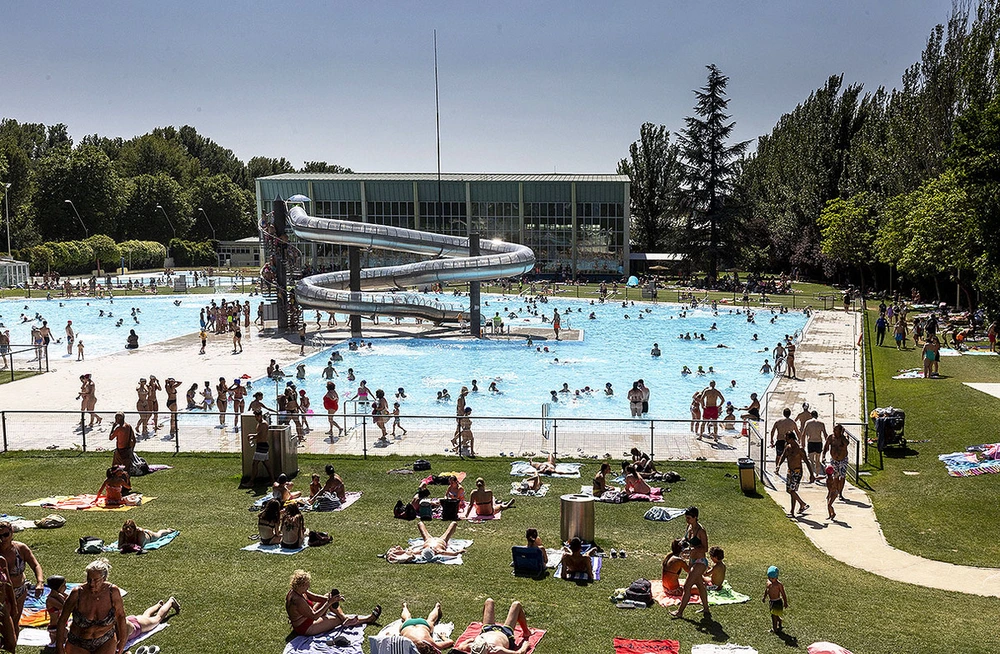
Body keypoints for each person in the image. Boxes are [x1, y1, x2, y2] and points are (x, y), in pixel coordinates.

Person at [56, 558, 127, 654]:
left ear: (104, 578)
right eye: (89, 579)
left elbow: (121, 616)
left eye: (96, 580)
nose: (92, 583)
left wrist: (122, 640)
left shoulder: (112, 592)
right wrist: (59, 647)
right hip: (78, 642)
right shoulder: (77, 593)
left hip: (105, 640)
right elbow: (62, 619)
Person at [285, 570, 380, 637]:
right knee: (337, 619)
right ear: (301, 585)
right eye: (307, 585)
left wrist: (333, 599)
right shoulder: (298, 600)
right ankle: (368, 619)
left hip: (308, 618)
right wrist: (329, 603)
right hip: (306, 627)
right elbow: (314, 616)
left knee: (328, 596)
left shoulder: (296, 590)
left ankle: (345, 619)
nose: (308, 587)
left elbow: (314, 597)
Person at [0, 519, 45, 633]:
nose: (3, 539)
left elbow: (35, 565)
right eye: (0, 536)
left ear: (12, 533)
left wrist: (40, 582)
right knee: (5, 624)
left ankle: (12, 649)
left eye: (6, 535)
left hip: (20, 591)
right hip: (2, 594)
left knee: (15, 622)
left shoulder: (20, 548)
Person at [670, 507, 711, 619]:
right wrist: (682, 542)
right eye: (686, 518)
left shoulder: (701, 531)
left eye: (689, 518)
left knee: (687, 585)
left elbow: (705, 548)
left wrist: (692, 550)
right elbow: (686, 538)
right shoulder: (689, 527)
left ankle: (679, 612)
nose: (687, 520)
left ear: (695, 517)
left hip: (700, 562)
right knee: (700, 586)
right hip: (692, 561)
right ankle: (706, 609)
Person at [453, 598, 532, 654]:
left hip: (487, 630)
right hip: (506, 633)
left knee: (489, 601)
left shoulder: (474, 648)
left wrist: (470, 640)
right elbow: (519, 653)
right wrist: (525, 645)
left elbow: (461, 646)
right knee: (516, 604)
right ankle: (526, 632)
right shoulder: (497, 651)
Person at [384, 521, 466, 563]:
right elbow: (452, 554)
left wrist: (396, 552)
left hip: (428, 540)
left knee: (420, 523)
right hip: (441, 541)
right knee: (454, 524)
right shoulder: (438, 551)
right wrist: (459, 552)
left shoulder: (422, 551)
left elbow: (407, 552)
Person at [776, 432, 814, 515]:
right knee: (790, 491)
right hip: (790, 471)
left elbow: (807, 462)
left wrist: (811, 474)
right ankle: (794, 511)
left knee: (791, 490)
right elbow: (783, 456)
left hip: (797, 472)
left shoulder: (800, 449)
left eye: (787, 438)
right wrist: (778, 465)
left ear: (792, 439)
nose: (785, 439)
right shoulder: (788, 447)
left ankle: (802, 504)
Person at [822, 423, 850, 503]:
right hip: (834, 460)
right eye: (833, 429)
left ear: (840, 431)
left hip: (843, 460)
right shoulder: (831, 437)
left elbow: (846, 444)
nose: (834, 431)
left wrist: (842, 435)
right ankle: (836, 492)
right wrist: (823, 455)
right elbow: (826, 447)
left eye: (836, 430)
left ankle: (840, 493)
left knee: (842, 476)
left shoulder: (843, 439)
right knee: (835, 477)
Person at [801, 410, 829, 480]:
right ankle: (816, 474)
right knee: (817, 460)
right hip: (818, 442)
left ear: (811, 415)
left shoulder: (808, 423)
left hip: (811, 442)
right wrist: (828, 444)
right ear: (817, 415)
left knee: (811, 460)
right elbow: (825, 435)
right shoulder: (821, 423)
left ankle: (812, 474)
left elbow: (803, 434)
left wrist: (803, 445)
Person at [109, 412, 136, 476]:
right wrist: (132, 449)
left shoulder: (119, 428)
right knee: (126, 469)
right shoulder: (128, 426)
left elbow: (110, 437)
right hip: (128, 450)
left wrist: (113, 428)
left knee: (115, 467)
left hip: (120, 450)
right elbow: (134, 439)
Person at [46, 575, 69, 648]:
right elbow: (65, 607)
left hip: (61, 625)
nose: (65, 587)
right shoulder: (50, 599)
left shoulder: (59, 595)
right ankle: (55, 639)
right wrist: (61, 597)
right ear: (58, 587)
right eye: (64, 585)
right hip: (55, 627)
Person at [762, 566, 787, 632]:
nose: (771, 579)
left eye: (772, 578)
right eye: (769, 577)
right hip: (771, 601)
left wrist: (785, 602)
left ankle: (774, 629)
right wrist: (764, 597)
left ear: (776, 577)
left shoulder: (779, 585)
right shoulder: (768, 583)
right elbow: (767, 590)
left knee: (773, 616)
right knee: (774, 615)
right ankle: (779, 620)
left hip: (777, 601)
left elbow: (783, 594)